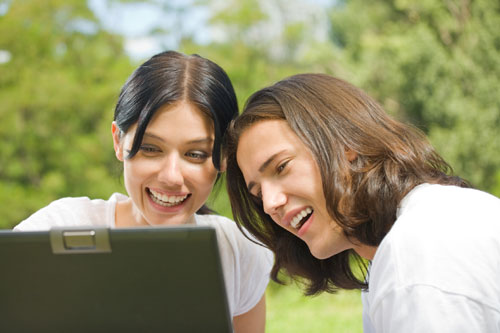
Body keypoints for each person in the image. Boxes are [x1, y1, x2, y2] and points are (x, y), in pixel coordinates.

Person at [15, 50, 273, 332]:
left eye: (196, 154)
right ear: (117, 141)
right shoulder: (58, 229)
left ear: (223, 157)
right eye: (150, 148)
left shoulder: (237, 250)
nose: (172, 176)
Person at [224, 73, 500, 332]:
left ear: (346, 146)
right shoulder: (435, 222)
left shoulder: (417, 254)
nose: (270, 203)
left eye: (282, 167)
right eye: (258, 194)